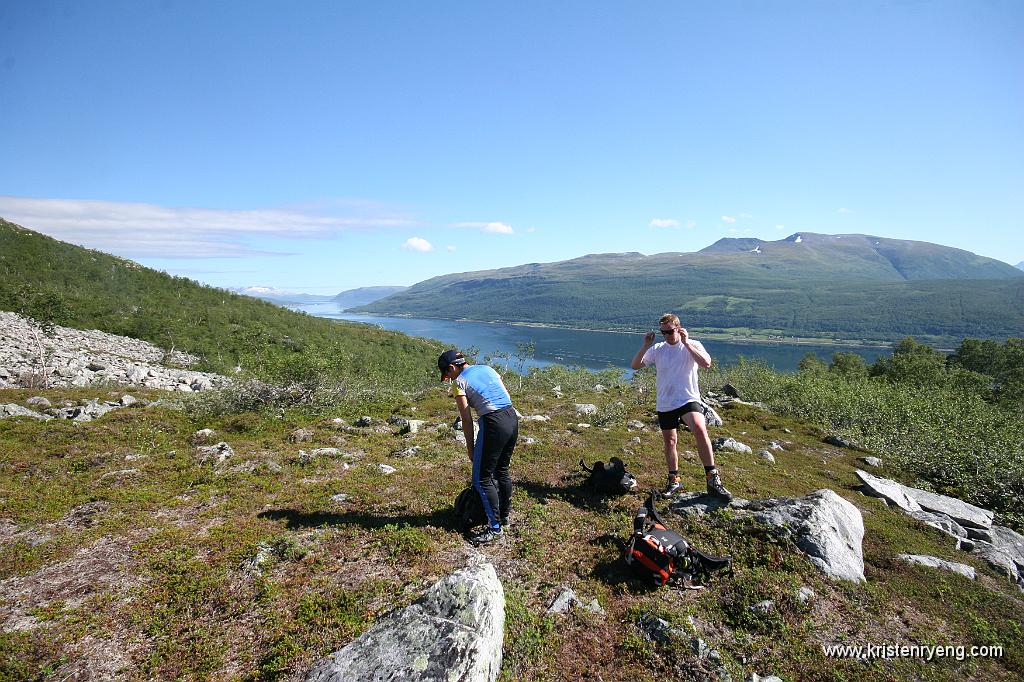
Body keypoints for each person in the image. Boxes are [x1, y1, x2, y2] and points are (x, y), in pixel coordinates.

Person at [630, 314, 733, 500]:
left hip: (688, 398)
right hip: (665, 402)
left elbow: (706, 363)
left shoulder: (693, 344)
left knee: (700, 429)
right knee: (670, 441)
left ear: (679, 328)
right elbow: (635, 365)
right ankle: (674, 480)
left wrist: (686, 343)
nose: (667, 335)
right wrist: (645, 345)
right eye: (663, 332)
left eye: (670, 331)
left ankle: (712, 479)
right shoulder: (658, 349)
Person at [438, 349, 519, 545]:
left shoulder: (459, 383)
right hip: (511, 417)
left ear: (451, 368)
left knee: (481, 479)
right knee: (502, 471)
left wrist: (470, 448)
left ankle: (495, 528)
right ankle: (504, 516)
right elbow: (505, 394)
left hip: (493, 422)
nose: (449, 380)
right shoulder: (487, 368)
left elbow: (466, 419)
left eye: (447, 375)